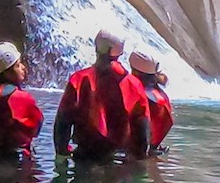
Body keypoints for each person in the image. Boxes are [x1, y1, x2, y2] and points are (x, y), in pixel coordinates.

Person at [53, 29, 151, 159]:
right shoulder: (134, 84)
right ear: (120, 51)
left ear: (96, 48)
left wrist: (62, 151)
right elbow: (142, 125)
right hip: (121, 159)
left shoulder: (79, 79)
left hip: (86, 154)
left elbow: (63, 119)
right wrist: (140, 156)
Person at [130, 49, 175, 153]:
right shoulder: (162, 96)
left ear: (135, 72)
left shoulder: (139, 95)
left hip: (136, 152)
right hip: (153, 148)